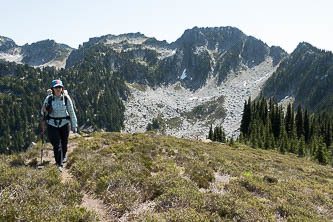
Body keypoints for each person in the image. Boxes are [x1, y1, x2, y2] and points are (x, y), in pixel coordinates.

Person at [41, 79, 77, 172]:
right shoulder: (48, 98)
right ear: (52, 88)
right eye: (56, 87)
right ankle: (59, 163)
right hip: (52, 124)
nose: (58, 89)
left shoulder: (66, 98)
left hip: (64, 123)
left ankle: (64, 155)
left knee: (64, 142)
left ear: (62, 88)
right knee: (56, 144)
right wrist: (45, 110)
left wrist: (74, 124)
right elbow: (42, 111)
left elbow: (71, 111)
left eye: (59, 87)